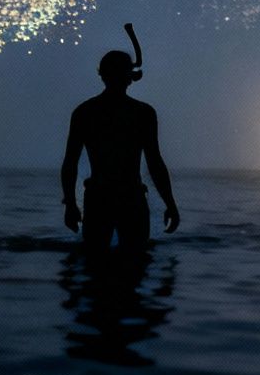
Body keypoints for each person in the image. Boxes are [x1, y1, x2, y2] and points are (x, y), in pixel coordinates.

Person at [61, 23, 180, 255]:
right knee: (135, 267)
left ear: (102, 76)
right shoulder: (142, 113)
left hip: (100, 199)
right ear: (129, 78)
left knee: (95, 268)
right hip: (130, 199)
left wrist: (71, 205)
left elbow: (70, 163)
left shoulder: (86, 112)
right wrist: (170, 204)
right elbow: (154, 162)